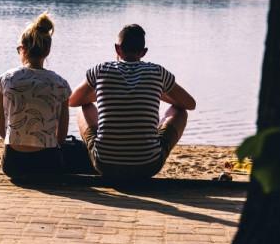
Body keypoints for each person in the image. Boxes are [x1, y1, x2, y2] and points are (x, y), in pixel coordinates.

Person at [69, 24, 196, 179]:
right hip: (148, 166)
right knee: (180, 111)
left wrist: (106, 92)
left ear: (117, 49)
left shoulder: (101, 69)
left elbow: (73, 100)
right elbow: (190, 104)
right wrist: (157, 91)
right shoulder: (157, 72)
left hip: (105, 164)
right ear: (144, 52)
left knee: (83, 107)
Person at [0, 12, 71, 178]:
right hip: (48, 164)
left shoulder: (6, 79)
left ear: (22, 49)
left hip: (13, 164)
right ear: (48, 51)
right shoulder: (60, 84)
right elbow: (61, 138)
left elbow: (3, 132)